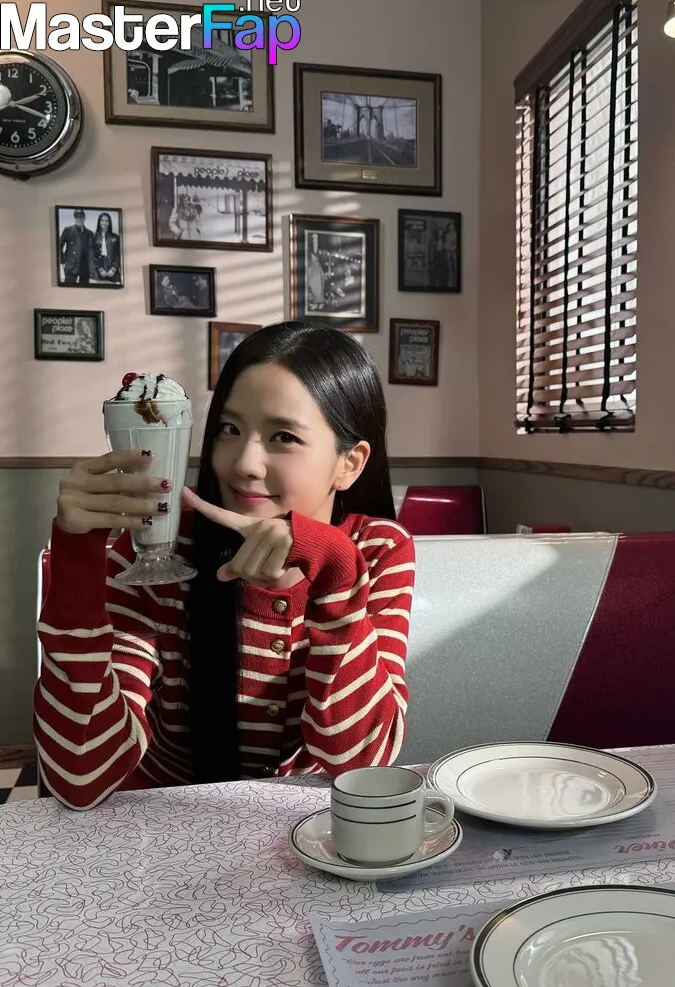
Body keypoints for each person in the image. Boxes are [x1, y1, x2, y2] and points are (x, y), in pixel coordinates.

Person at [34, 322, 415, 810]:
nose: (243, 464)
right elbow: (80, 774)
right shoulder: (164, 550)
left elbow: (365, 762)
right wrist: (76, 557)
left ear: (350, 463)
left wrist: (334, 567)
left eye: (283, 436)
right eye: (229, 430)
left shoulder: (375, 549)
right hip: (166, 818)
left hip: (302, 822)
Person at [58, 208, 94, 284]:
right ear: (74, 218)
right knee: (68, 288)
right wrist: (63, 262)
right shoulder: (68, 230)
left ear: (84, 218)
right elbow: (58, 246)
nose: (79, 220)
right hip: (71, 266)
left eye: (81, 217)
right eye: (77, 218)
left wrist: (91, 266)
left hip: (85, 267)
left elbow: (92, 250)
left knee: (84, 289)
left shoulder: (89, 233)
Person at [90, 212, 121, 285]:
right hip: (98, 268)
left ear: (109, 223)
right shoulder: (93, 237)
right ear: (99, 222)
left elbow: (118, 254)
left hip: (112, 267)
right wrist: (100, 269)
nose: (104, 223)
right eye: (102, 220)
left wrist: (114, 269)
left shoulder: (115, 237)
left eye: (107, 221)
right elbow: (92, 255)